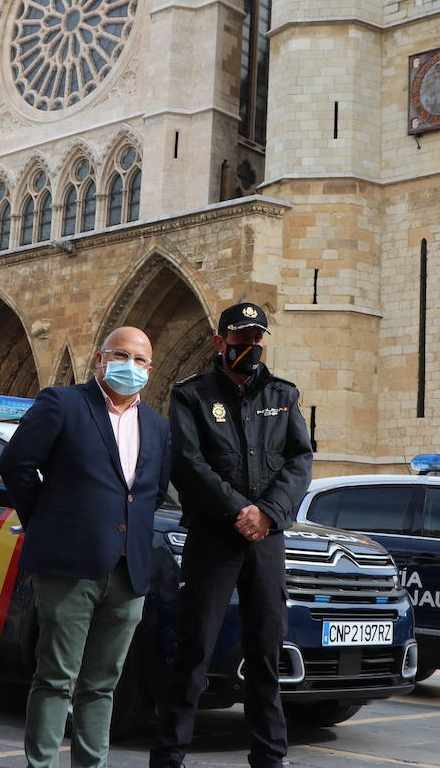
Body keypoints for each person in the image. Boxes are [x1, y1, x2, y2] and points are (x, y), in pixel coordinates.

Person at [0, 326, 172, 768]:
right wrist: (47, 524)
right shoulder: (63, 403)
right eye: (121, 356)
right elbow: (16, 464)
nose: (130, 367)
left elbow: (150, 492)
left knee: (102, 684)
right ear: (100, 359)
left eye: (140, 361)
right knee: (56, 678)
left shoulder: (156, 425)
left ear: (150, 370)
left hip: (128, 573)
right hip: (69, 567)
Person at [150, 303, 313, 768]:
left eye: (258, 337)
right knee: (194, 649)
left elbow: (299, 460)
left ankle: (269, 756)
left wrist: (267, 513)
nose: (252, 346)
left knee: (266, 651)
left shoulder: (283, 395)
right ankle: (168, 756)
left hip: (266, 538)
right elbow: (187, 461)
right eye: (242, 338)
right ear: (221, 343)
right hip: (214, 537)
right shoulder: (193, 395)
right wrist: (236, 509)